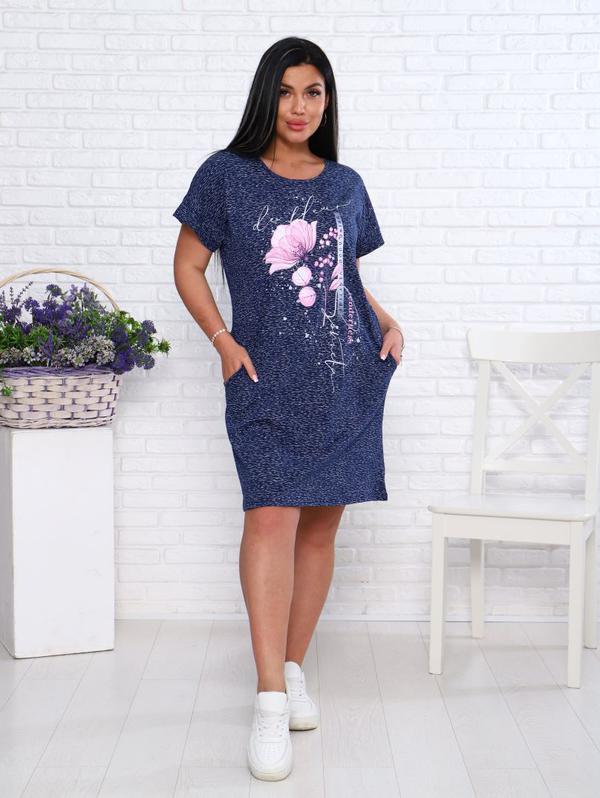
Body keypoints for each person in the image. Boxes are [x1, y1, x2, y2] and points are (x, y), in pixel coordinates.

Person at [172, 37, 405, 782]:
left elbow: (341, 276)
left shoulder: (346, 184)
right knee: (269, 519)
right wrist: (222, 340)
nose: (299, 107)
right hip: (264, 378)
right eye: (286, 91)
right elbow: (187, 264)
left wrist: (385, 320)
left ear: (327, 102)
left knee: (321, 527)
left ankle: (293, 667)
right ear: (265, 95)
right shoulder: (225, 175)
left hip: (344, 378)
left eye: (313, 92)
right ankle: (270, 699)